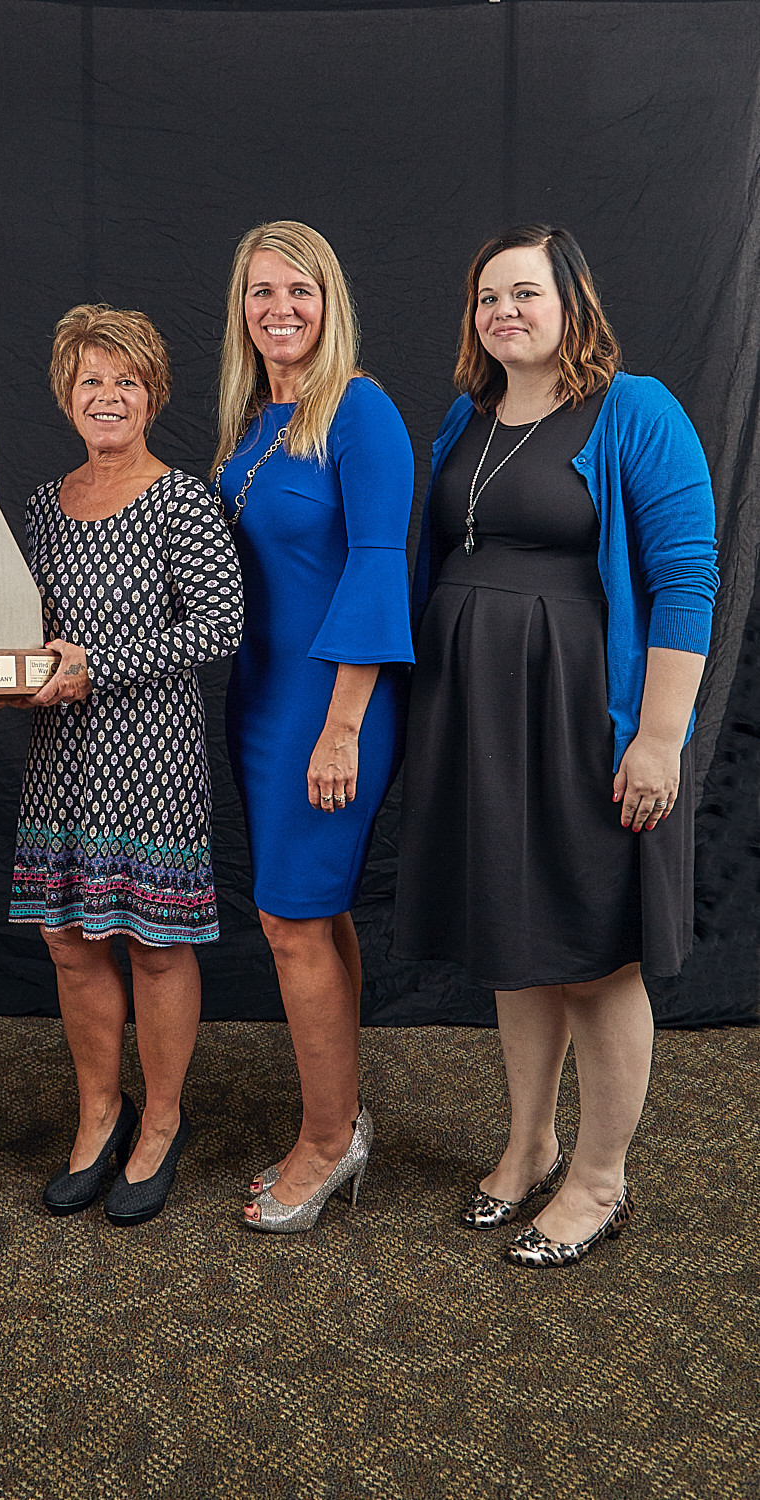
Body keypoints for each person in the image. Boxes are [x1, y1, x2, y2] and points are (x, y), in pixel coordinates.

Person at [394, 224, 718, 1267]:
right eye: (489, 298)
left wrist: (659, 739)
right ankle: (528, 1144)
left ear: (573, 299)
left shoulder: (637, 410)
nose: (505, 313)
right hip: (481, 725)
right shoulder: (467, 417)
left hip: (588, 724)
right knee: (516, 945)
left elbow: (686, 582)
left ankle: (599, 1178)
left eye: (525, 293)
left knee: (594, 956)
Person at [9, 304, 243, 1227]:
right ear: (67, 395)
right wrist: (14, 668)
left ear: (153, 394)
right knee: (70, 939)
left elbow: (220, 626)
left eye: (126, 382)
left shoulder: (183, 499)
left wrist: (96, 665)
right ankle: (101, 1113)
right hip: (60, 757)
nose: (107, 398)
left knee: (153, 940)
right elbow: (24, 630)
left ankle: (164, 1122)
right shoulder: (43, 503)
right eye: (90, 382)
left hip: (149, 753)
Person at [211, 221, 415, 1232]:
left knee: (293, 922)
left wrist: (341, 727)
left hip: (332, 707)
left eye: (300, 290)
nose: (279, 309)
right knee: (316, 916)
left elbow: (379, 568)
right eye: (260, 292)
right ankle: (344, 1120)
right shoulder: (257, 421)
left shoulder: (360, 410)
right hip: (260, 702)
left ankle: (327, 1144)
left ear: (330, 302)